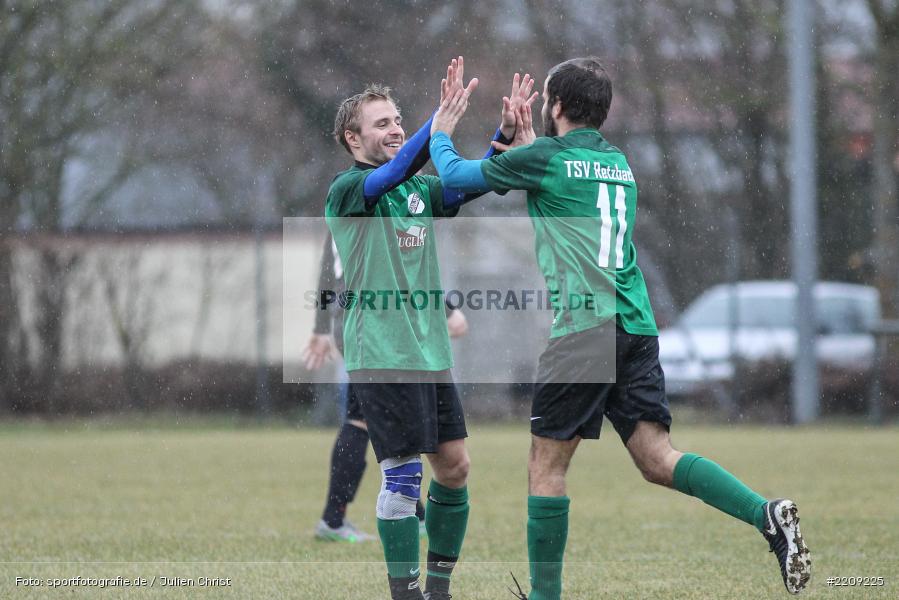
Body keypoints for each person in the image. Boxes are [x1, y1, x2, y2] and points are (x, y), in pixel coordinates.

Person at [427, 57, 812, 598]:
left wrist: (441, 133)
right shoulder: (618, 163)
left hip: (584, 328)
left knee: (546, 465)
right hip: (635, 325)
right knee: (657, 457)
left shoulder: (548, 159)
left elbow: (458, 177)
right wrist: (529, 143)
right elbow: (560, 183)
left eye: (546, 103)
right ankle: (766, 515)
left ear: (557, 105)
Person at [323, 58, 532, 600]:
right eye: (381, 124)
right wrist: (435, 126)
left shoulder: (416, 190)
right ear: (353, 138)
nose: (394, 129)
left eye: (398, 120)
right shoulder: (349, 190)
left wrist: (502, 138)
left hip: (429, 351)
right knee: (402, 476)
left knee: (456, 468)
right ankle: (406, 592)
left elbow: (469, 184)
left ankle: (438, 589)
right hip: (382, 353)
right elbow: (392, 173)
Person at [302, 233, 469, 543]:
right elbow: (400, 264)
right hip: (380, 322)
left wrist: (323, 326)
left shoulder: (347, 193)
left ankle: (346, 517)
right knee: (388, 411)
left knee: (365, 417)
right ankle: (341, 519)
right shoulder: (383, 195)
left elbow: (330, 269)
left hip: (355, 319)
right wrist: (445, 308)